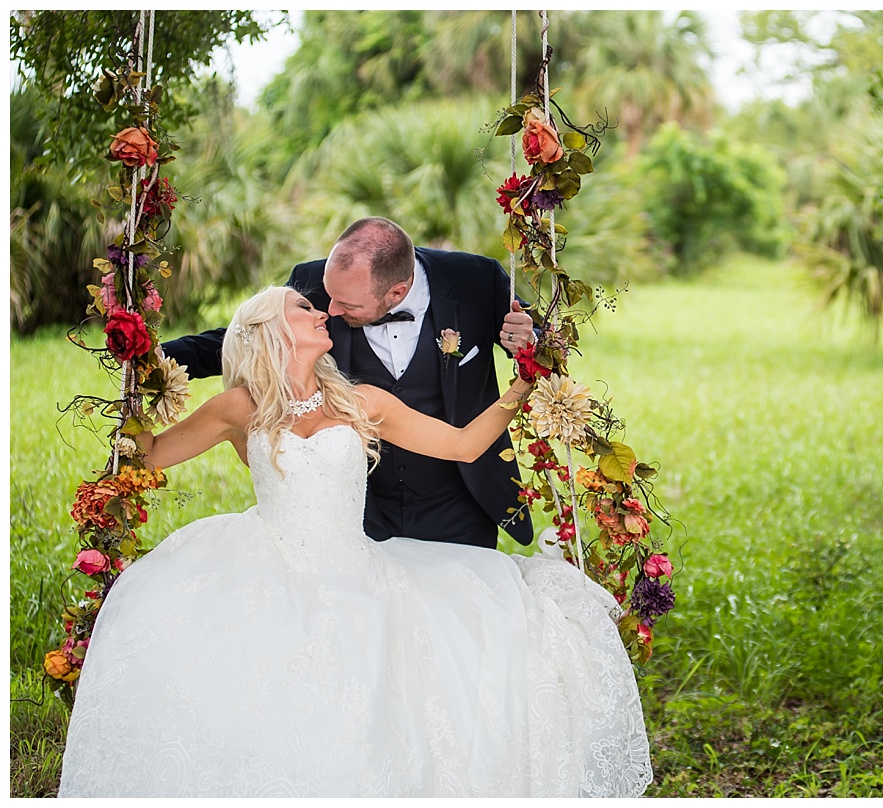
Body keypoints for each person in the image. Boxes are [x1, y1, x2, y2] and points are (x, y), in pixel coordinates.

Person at [57, 287, 652, 798]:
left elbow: (464, 445)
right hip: (264, 563)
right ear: (269, 329)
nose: (320, 312)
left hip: (357, 568)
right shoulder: (238, 406)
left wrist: (523, 387)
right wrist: (138, 389)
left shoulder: (360, 401)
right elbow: (150, 455)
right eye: (302, 307)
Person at [162, 216, 536, 549]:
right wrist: (153, 359)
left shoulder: (475, 280)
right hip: (362, 511)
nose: (330, 311)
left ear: (396, 293)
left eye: (348, 307)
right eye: (321, 302)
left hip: (458, 502)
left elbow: (547, 345)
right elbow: (253, 339)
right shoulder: (314, 284)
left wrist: (530, 346)